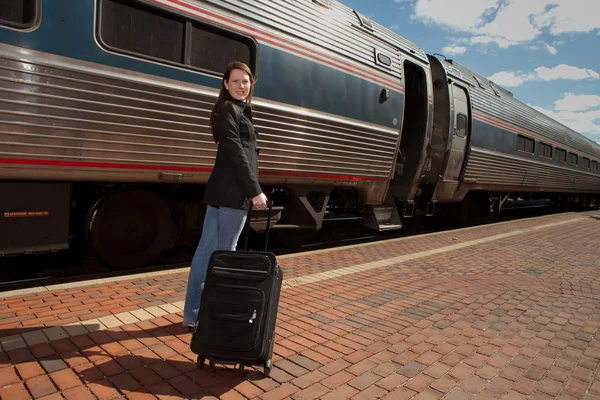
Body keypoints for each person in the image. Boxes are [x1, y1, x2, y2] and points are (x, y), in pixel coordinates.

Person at [183, 61, 268, 329]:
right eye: (236, 81)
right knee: (224, 254)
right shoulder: (228, 110)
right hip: (233, 194)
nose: (241, 86)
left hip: (223, 192)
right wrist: (254, 191)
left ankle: (193, 314)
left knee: (207, 253)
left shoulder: (236, 110)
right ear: (225, 83)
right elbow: (235, 153)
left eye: (246, 81)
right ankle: (213, 314)